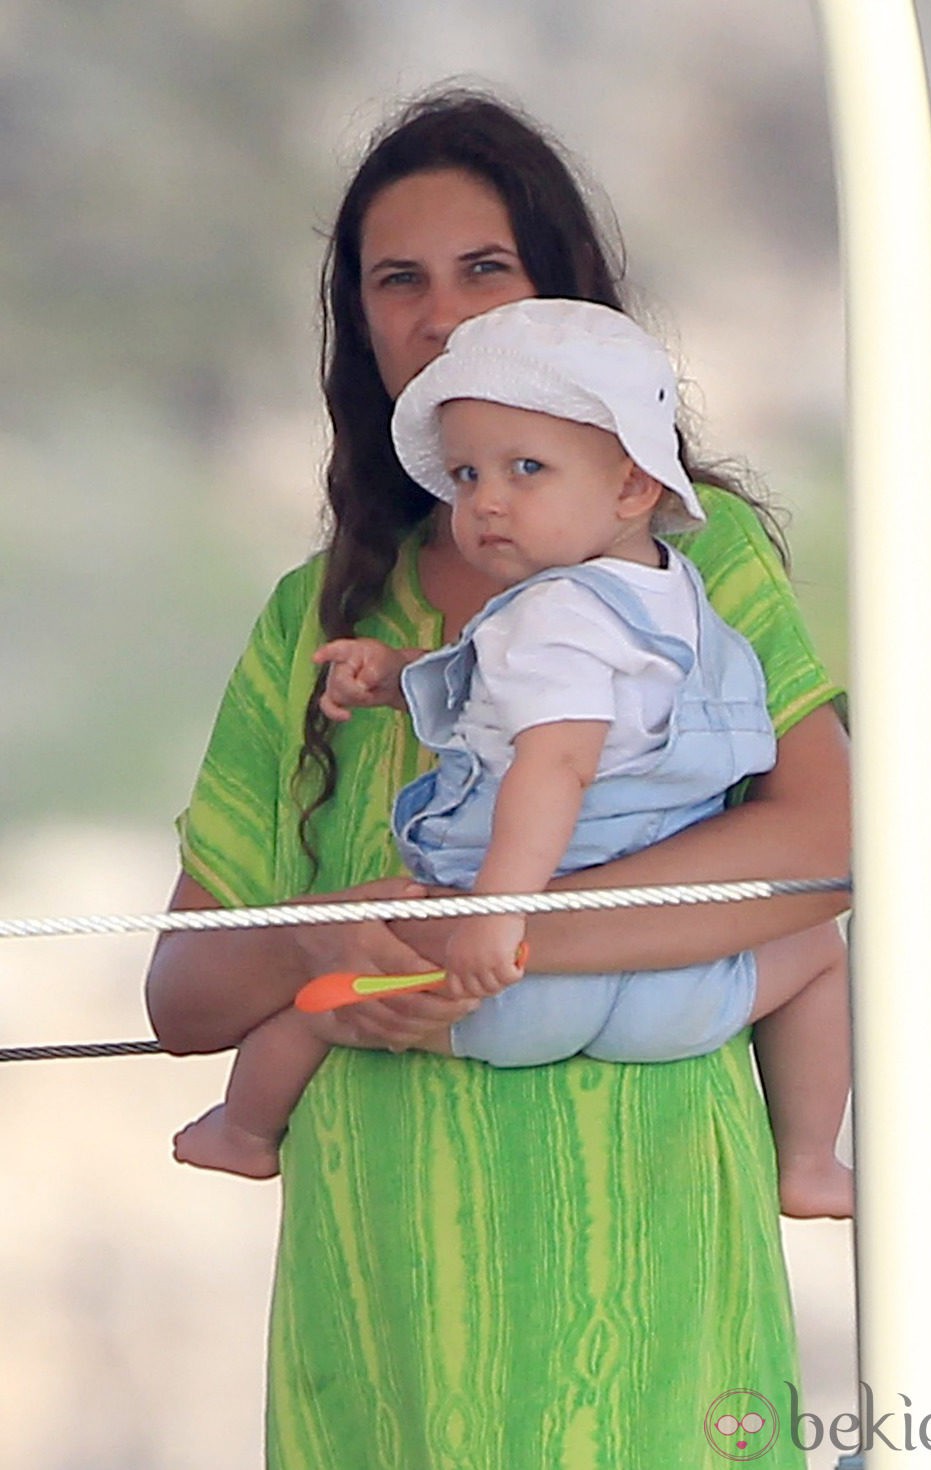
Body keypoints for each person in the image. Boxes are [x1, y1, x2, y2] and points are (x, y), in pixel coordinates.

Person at [145, 89, 851, 1470]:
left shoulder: (699, 582)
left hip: (650, 1254)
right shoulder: (316, 619)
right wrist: (327, 938)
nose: (443, 314)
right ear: (360, 326)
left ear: (568, 302)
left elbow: (825, 846)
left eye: (488, 270)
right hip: (385, 1289)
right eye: (397, 280)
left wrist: (502, 946)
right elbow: (181, 995)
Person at [172, 297, 852, 1225]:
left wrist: (498, 917)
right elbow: (527, 689)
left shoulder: (551, 615)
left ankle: (241, 1135)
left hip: (512, 980)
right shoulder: (675, 599)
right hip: (681, 986)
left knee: (321, 1009)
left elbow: (553, 763)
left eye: (525, 469)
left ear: (630, 487)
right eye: (465, 476)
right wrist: (403, 678)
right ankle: (811, 1159)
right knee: (815, 954)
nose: (486, 500)